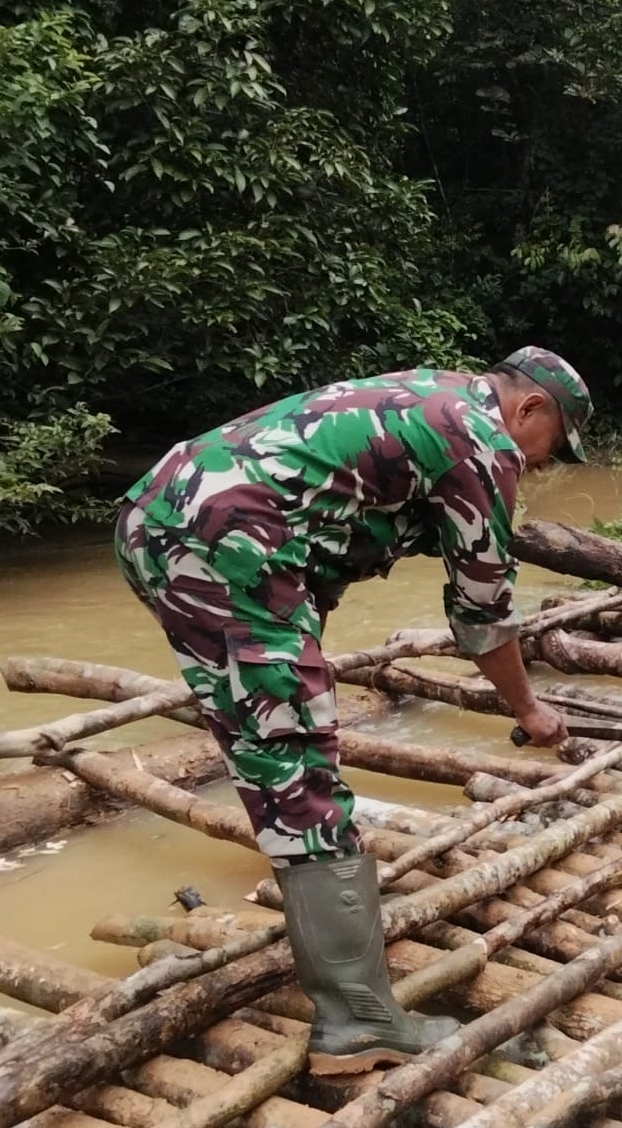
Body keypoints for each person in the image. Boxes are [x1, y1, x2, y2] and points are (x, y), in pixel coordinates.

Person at [114, 351, 590, 1072]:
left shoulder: (432, 396)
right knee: (295, 768)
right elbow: (483, 615)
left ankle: (339, 974)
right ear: (529, 409)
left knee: (275, 736)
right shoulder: (483, 443)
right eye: (554, 446)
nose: (545, 464)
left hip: (163, 516)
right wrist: (530, 708)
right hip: (229, 540)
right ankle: (356, 1020)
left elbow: (330, 525)